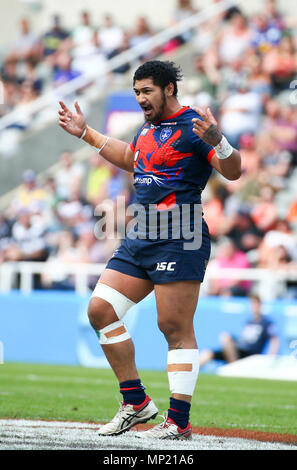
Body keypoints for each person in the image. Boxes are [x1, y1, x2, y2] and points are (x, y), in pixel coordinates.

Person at [58, 60, 241, 440]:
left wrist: (219, 140)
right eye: (137, 91)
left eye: (147, 91)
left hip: (181, 234)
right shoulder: (150, 127)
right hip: (141, 235)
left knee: (173, 327)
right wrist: (86, 134)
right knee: (101, 309)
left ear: (169, 89)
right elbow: (133, 158)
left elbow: (234, 170)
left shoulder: (194, 128)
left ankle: (178, 422)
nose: (141, 98)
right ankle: (136, 402)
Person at [199, 294, 279, 366]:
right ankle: (193, 371)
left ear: (260, 305)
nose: (253, 307)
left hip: (249, 353)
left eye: (255, 304)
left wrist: (270, 359)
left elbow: (274, 340)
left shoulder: (266, 323)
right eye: (252, 304)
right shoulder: (249, 322)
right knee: (208, 353)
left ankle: (233, 366)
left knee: (226, 338)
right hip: (238, 350)